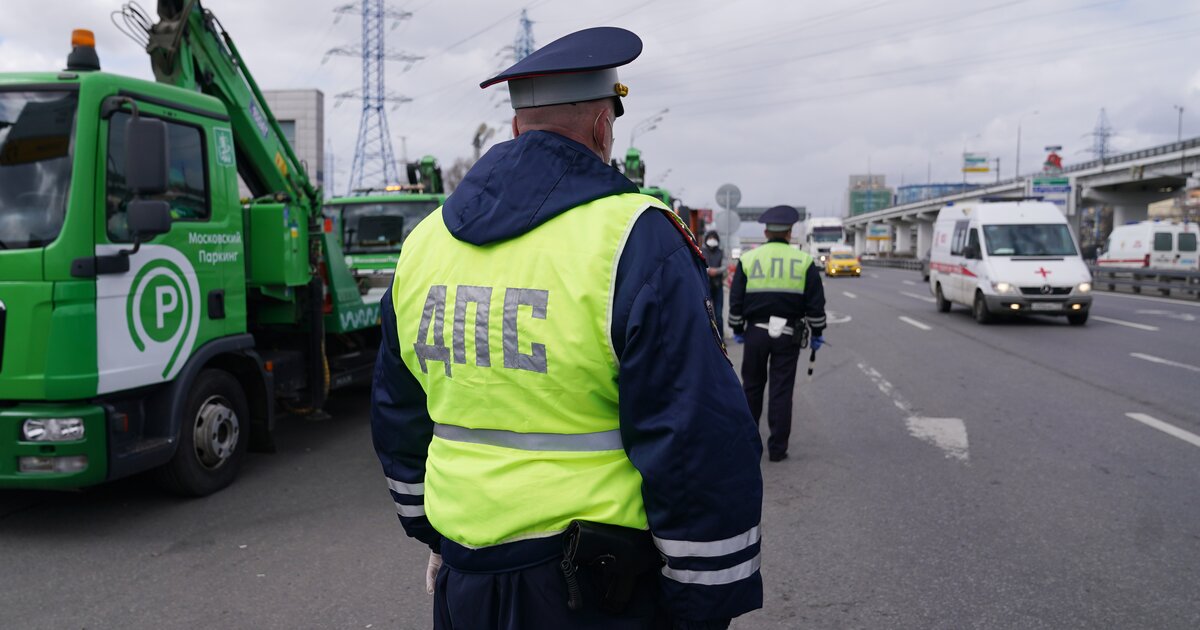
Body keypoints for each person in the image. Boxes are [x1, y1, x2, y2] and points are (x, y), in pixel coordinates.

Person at [370, 26, 763, 630]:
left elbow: (398, 413)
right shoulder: (636, 238)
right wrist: (705, 598)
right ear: (604, 128)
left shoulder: (424, 243)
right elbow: (694, 436)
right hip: (598, 590)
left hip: (464, 583)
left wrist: (432, 536)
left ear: (514, 128)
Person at [727, 206, 826, 462]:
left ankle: (749, 447)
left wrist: (738, 329)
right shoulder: (804, 262)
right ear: (790, 233)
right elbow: (815, 304)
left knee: (752, 389)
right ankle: (778, 450)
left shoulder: (749, 259)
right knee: (781, 391)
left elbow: (736, 300)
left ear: (766, 231)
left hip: (755, 334)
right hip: (788, 334)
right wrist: (817, 332)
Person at [701, 230, 727, 337]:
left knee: (719, 316)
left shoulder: (721, 252)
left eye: (714, 238)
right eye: (710, 238)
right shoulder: (702, 251)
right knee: (705, 314)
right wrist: (708, 270)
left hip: (718, 286)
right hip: (705, 286)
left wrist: (716, 271)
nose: (712, 240)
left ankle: (721, 338)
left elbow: (725, 266)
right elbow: (700, 264)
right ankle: (708, 338)